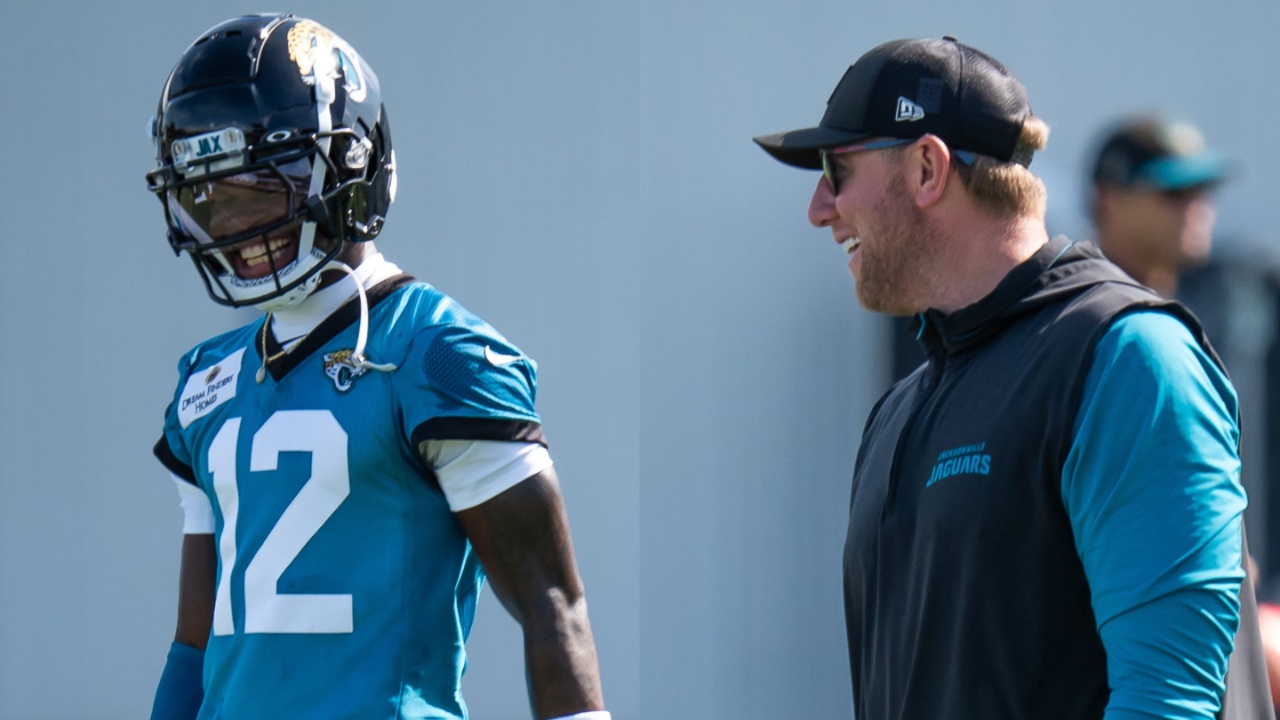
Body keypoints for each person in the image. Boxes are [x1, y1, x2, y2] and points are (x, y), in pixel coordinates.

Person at [754, 36, 1271, 718]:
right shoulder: (898, 412)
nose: (820, 208)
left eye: (836, 169)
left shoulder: (1127, 357)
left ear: (928, 169)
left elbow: (1172, 704)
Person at [143, 14, 608, 720]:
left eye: (262, 189)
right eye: (208, 196)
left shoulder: (438, 353)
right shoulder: (206, 383)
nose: (234, 227)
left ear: (352, 167)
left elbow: (552, 606)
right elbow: (194, 647)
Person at [1089, 116, 1228, 298]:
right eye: (1175, 192)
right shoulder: (1072, 304)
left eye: (1203, 191)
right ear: (1109, 201)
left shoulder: (1219, 298)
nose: (1199, 209)